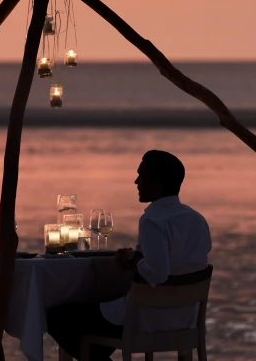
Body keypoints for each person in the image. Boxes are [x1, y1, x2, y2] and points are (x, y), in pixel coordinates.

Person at [46, 150, 212, 360]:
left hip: (148, 320)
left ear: (158, 183)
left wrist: (133, 260)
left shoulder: (153, 221)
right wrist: (138, 260)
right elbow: (187, 264)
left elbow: (159, 274)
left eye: (141, 176)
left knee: (56, 315)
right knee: (94, 319)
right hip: (185, 319)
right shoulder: (197, 219)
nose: (136, 181)